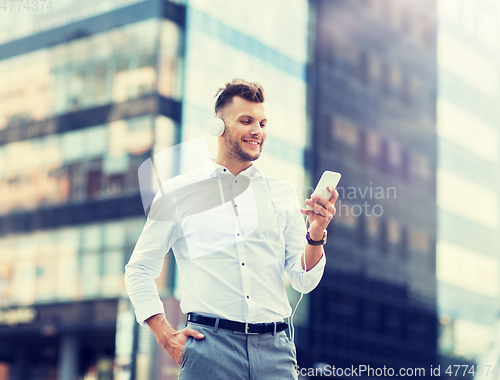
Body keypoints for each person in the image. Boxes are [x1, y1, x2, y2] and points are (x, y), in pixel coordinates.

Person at [124, 78, 339, 380]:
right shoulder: (178, 192)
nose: (257, 131)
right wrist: (164, 334)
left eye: (263, 123)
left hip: (275, 350)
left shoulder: (281, 193)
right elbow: (138, 270)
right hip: (209, 350)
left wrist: (315, 233)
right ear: (218, 127)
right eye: (246, 121)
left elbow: (303, 280)